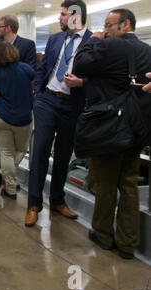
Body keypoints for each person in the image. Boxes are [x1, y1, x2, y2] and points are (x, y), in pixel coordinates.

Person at [73, 8, 151, 259]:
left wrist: (93, 39)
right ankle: (128, 243)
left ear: (126, 24)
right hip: (137, 127)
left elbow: (80, 63)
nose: (105, 29)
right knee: (129, 183)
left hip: (108, 126)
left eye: (109, 25)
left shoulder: (110, 47)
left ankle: (103, 234)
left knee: (105, 182)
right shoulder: (148, 52)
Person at [25, 0, 92, 227]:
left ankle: (57, 201)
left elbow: (100, 74)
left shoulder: (93, 41)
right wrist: (37, 94)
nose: (59, 18)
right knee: (40, 150)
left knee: (63, 155)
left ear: (75, 16)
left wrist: (82, 82)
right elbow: (42, 69)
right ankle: (34, 204)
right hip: (46, 100)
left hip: (72, 104)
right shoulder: (55, 39)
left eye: (63, 15)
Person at [0, 14, 37, 192]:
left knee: (13, 148)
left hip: (18, 101)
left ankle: (7, 180)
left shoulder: (27, 45)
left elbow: (31, 73)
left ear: (7, 28)